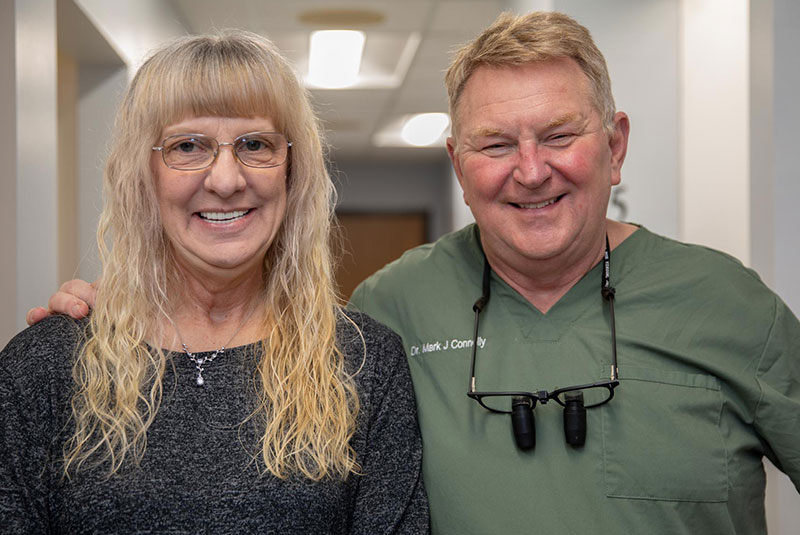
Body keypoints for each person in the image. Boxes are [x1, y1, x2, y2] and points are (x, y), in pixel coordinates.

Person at [27, 11, 800, 535]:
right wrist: (118, 314)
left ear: (616, 144)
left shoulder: (732, 306)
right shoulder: (389, 313)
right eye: (496, 144)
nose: (531, 171)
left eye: (560, 134)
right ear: (458, 165)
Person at [1, 30, 429, 534]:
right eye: (187, 146)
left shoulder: (363, 364)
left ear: (293, 172)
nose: (226, 180)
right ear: (145, 175)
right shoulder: (46, 366)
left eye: (255, 144)